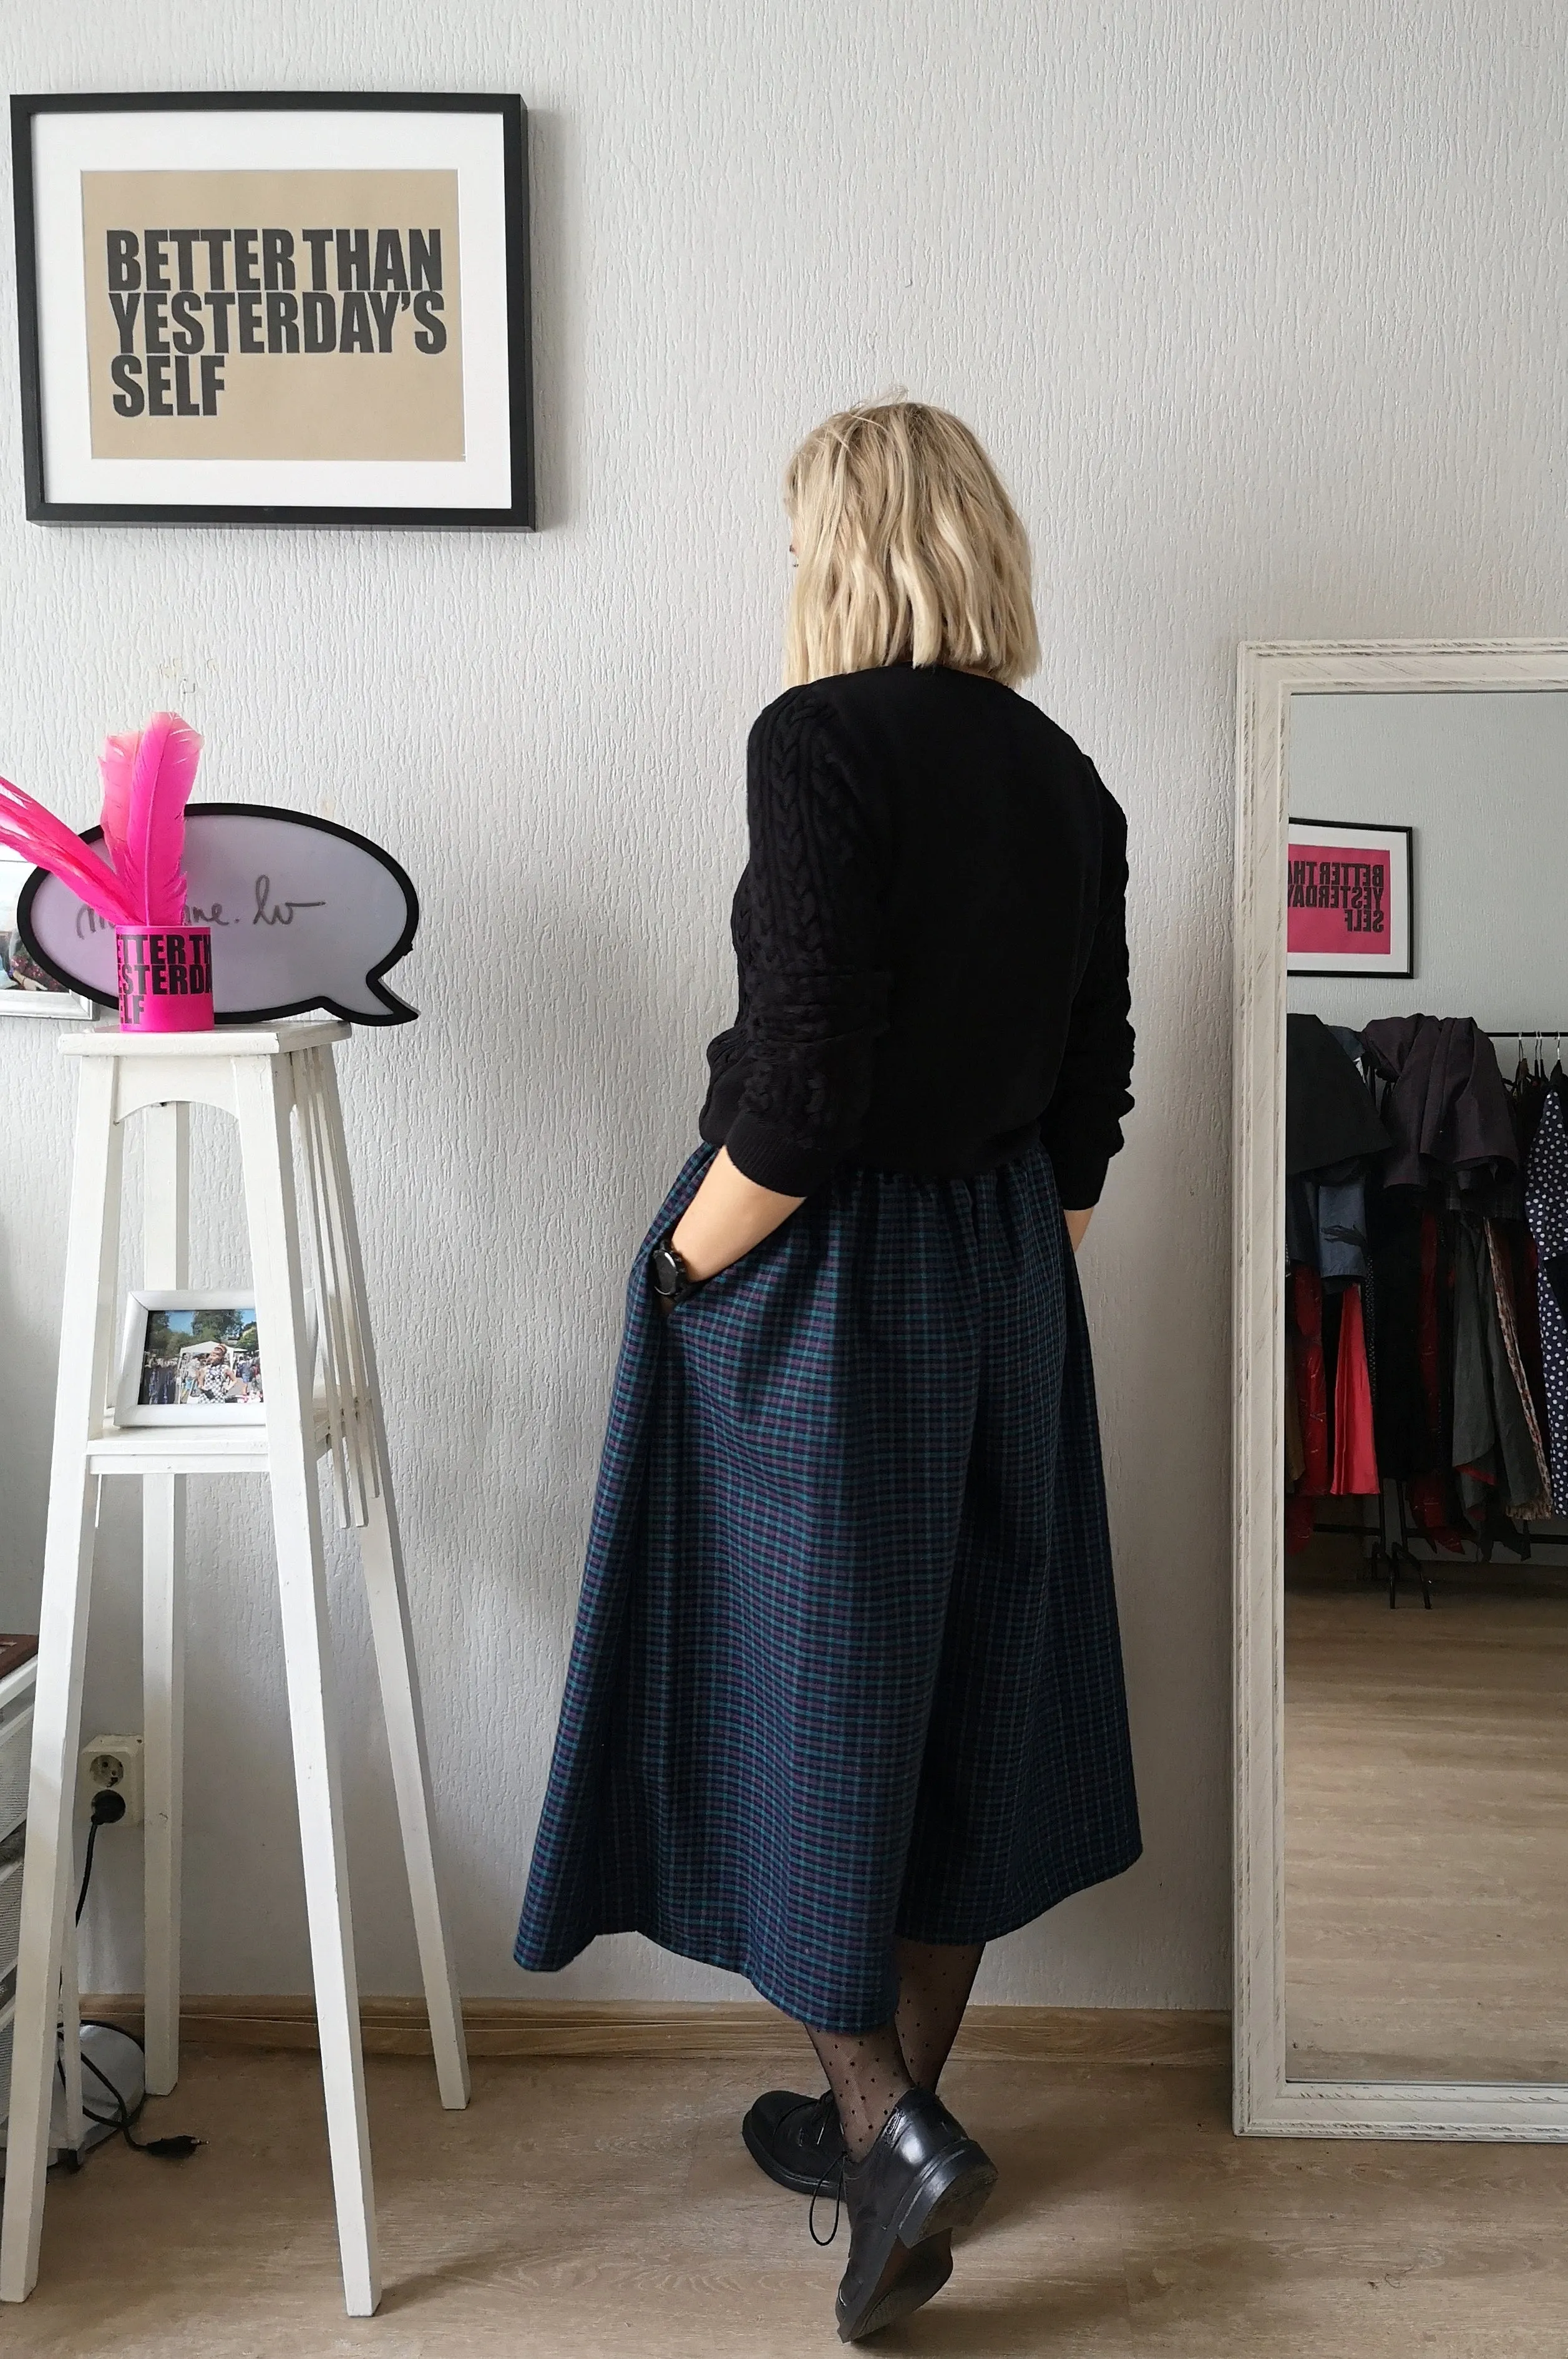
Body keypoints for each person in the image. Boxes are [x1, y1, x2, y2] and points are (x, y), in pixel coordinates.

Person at [515, 399, 1141, 2341]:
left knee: (797, 1698)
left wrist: (673, 1266)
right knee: (962, 1692)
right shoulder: (1068, 779)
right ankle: (894, 2108)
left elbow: (795, 1095)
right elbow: (1086, 1111)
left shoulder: (822, 744)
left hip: (835, 1265)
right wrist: (1003, 1273)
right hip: (1006, 1274)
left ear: (841, 553)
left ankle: (886, 2125)